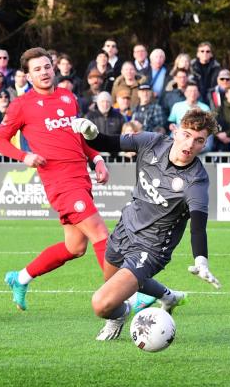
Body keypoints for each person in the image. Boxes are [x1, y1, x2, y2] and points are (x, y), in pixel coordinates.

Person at [71, 109, 221, 340]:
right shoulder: (151, 142)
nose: (190, 144)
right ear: (176, 131)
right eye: (187, 135)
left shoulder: (196, 180)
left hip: (151, 248)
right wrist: (90, 133)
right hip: (125, 229)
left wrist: (201, 261)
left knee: (102, 304)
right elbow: (106, 142)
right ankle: (168, 297)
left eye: (199, 140)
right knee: (113, 283)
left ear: (204, 144)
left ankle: (118, 315)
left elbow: (198, 226)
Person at [0, 47, 110, 311]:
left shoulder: (68, 97)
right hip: (60, 182)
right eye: (37, 69)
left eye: (47, 67)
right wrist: (24, 156)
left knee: (75, 247)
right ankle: (125, 294)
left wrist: (97, 159)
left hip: (81, 178)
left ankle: (20, 278)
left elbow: (78, 137)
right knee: (101, 233)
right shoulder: (21, 105)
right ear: (27, 76)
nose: (44, 72)